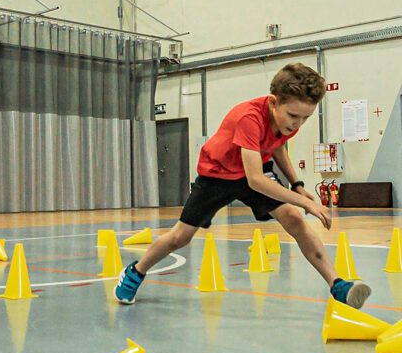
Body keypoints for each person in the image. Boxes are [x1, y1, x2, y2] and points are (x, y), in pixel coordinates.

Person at [114, 62, 371, 308]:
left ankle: (337, 285)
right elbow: (256, 180)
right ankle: (135, 272)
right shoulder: (248, 118)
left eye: (305, 118)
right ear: (273, 102)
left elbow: (277, 145)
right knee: (180, 237)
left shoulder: (288, 119)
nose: (297, 124)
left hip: (253, 169)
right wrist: (304, 201)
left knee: (293, 217)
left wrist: (298, 184)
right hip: (217, 175)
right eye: (294, 116)